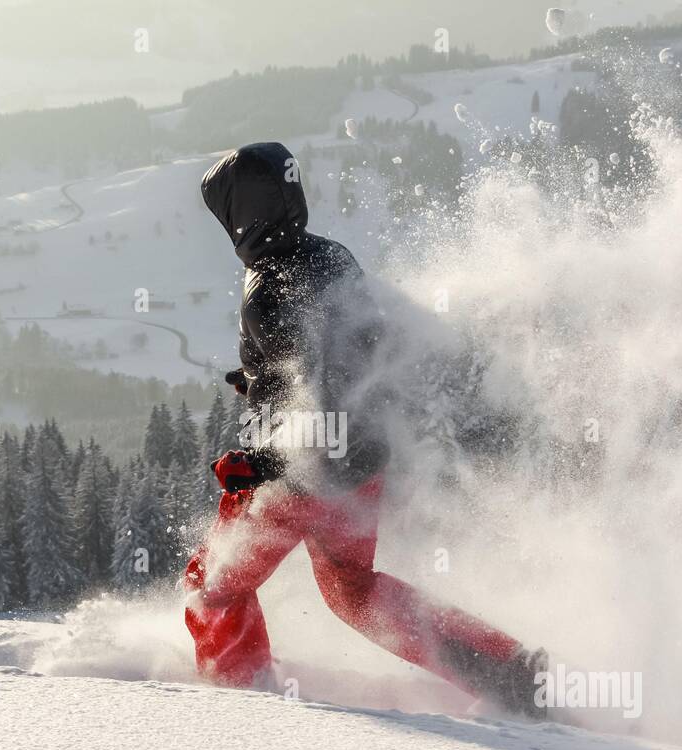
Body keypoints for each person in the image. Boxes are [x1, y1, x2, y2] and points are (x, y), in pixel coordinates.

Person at [184, 142, 546, 715]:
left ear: (244, 212)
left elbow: (323, 396)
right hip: (360, 468)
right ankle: (509, 672)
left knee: (213, 589)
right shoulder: (329, 255)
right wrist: (255, 379)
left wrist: (262, 465)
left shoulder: (270, 290)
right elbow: (350, 353)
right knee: (354, 590)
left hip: (306, 474)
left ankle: (237, 708)